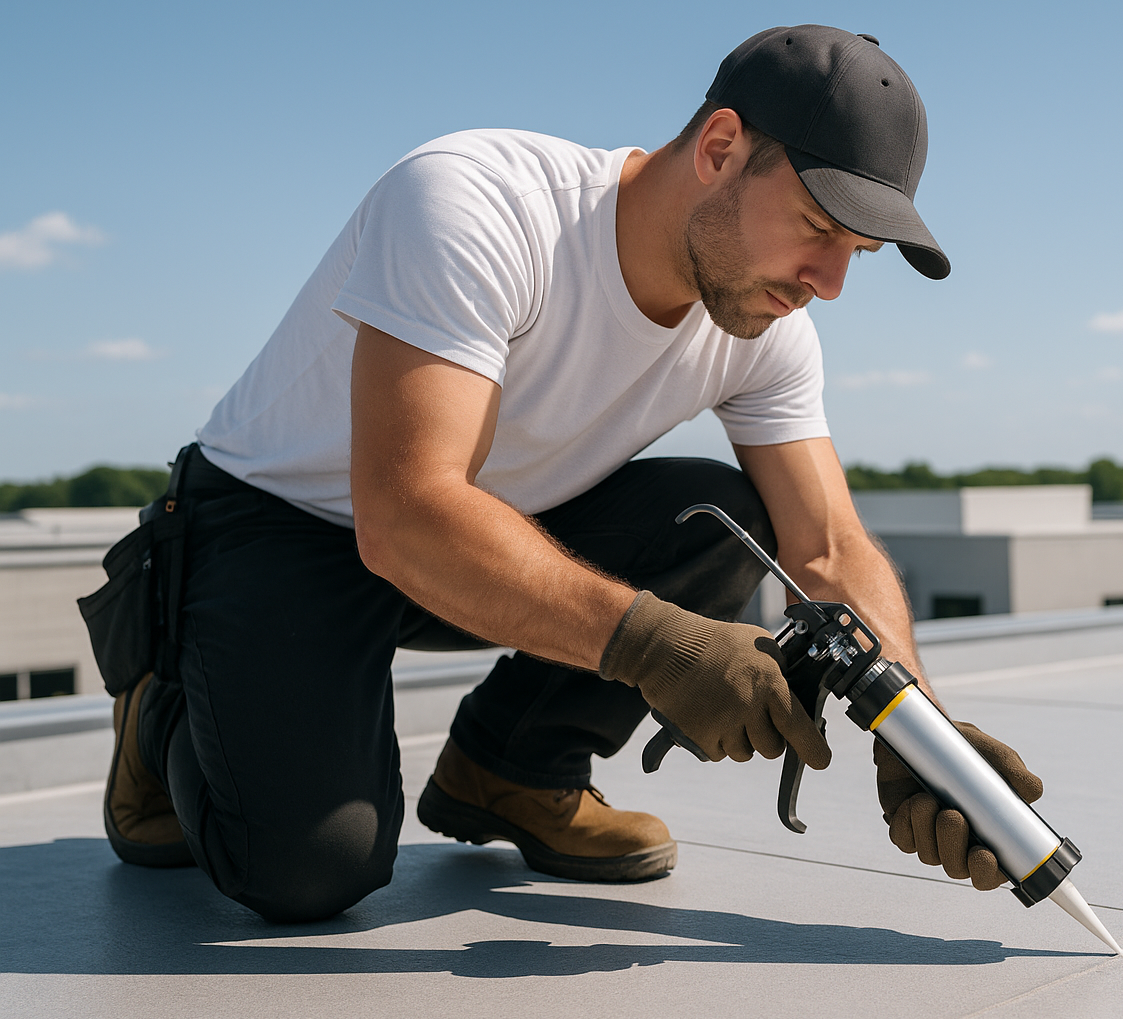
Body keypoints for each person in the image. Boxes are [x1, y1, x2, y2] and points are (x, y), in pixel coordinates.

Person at [101, 24, 1044, 923]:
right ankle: (160, 711)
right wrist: (657, 646)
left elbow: (827, 545)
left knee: (719, 515)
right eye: (815, 226)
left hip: (487, 531)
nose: (827, 282)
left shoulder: (766, 327)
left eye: (858, 254)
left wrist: (917, 734)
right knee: (310, 871)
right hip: (286, 525)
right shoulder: (475, 202)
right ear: (720, 146)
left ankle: (510, 770)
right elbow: (408, 509)